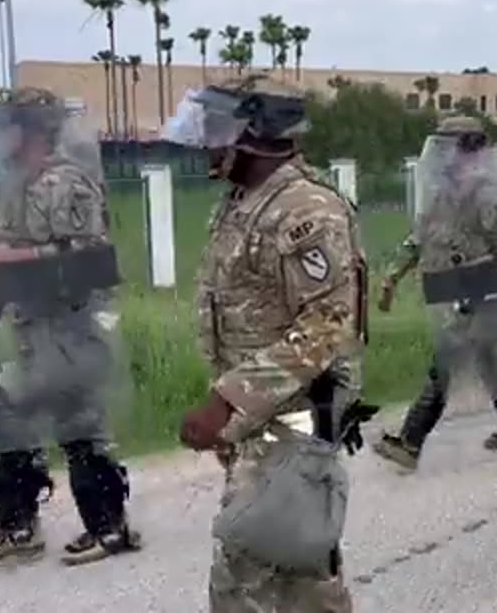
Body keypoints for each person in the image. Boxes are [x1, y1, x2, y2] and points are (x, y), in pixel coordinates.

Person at [166, 75, 366, 611]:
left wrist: (227, 400)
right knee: (300, 574)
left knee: (244, 579)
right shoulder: (243, 200)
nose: (208, 141)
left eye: (217, 128)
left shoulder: (305, 209)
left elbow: (328, 325)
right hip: (261, 423)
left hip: (292, 422)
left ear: (255, 132)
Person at [0, 89, 139, 567]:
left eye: (7, 124)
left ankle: (94, 527)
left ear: (29, 130)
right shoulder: (20, 181)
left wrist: (10, 257)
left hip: (72, 330)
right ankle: (45, 525)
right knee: (48, 422)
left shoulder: (65, 181)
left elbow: (87, 256)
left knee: (57, 422)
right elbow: (25, 242)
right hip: (35, 330)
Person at [373, 115, 497, 471]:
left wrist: (488, 279)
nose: (441, 156)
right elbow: (420, 238)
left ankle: (410, 442)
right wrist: (392, 274)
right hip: (457, 295)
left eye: (449, 148)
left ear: (469, 151)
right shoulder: (440, 194)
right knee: (489, 364)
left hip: (486, 298)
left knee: (444, 365)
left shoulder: (487, 196)